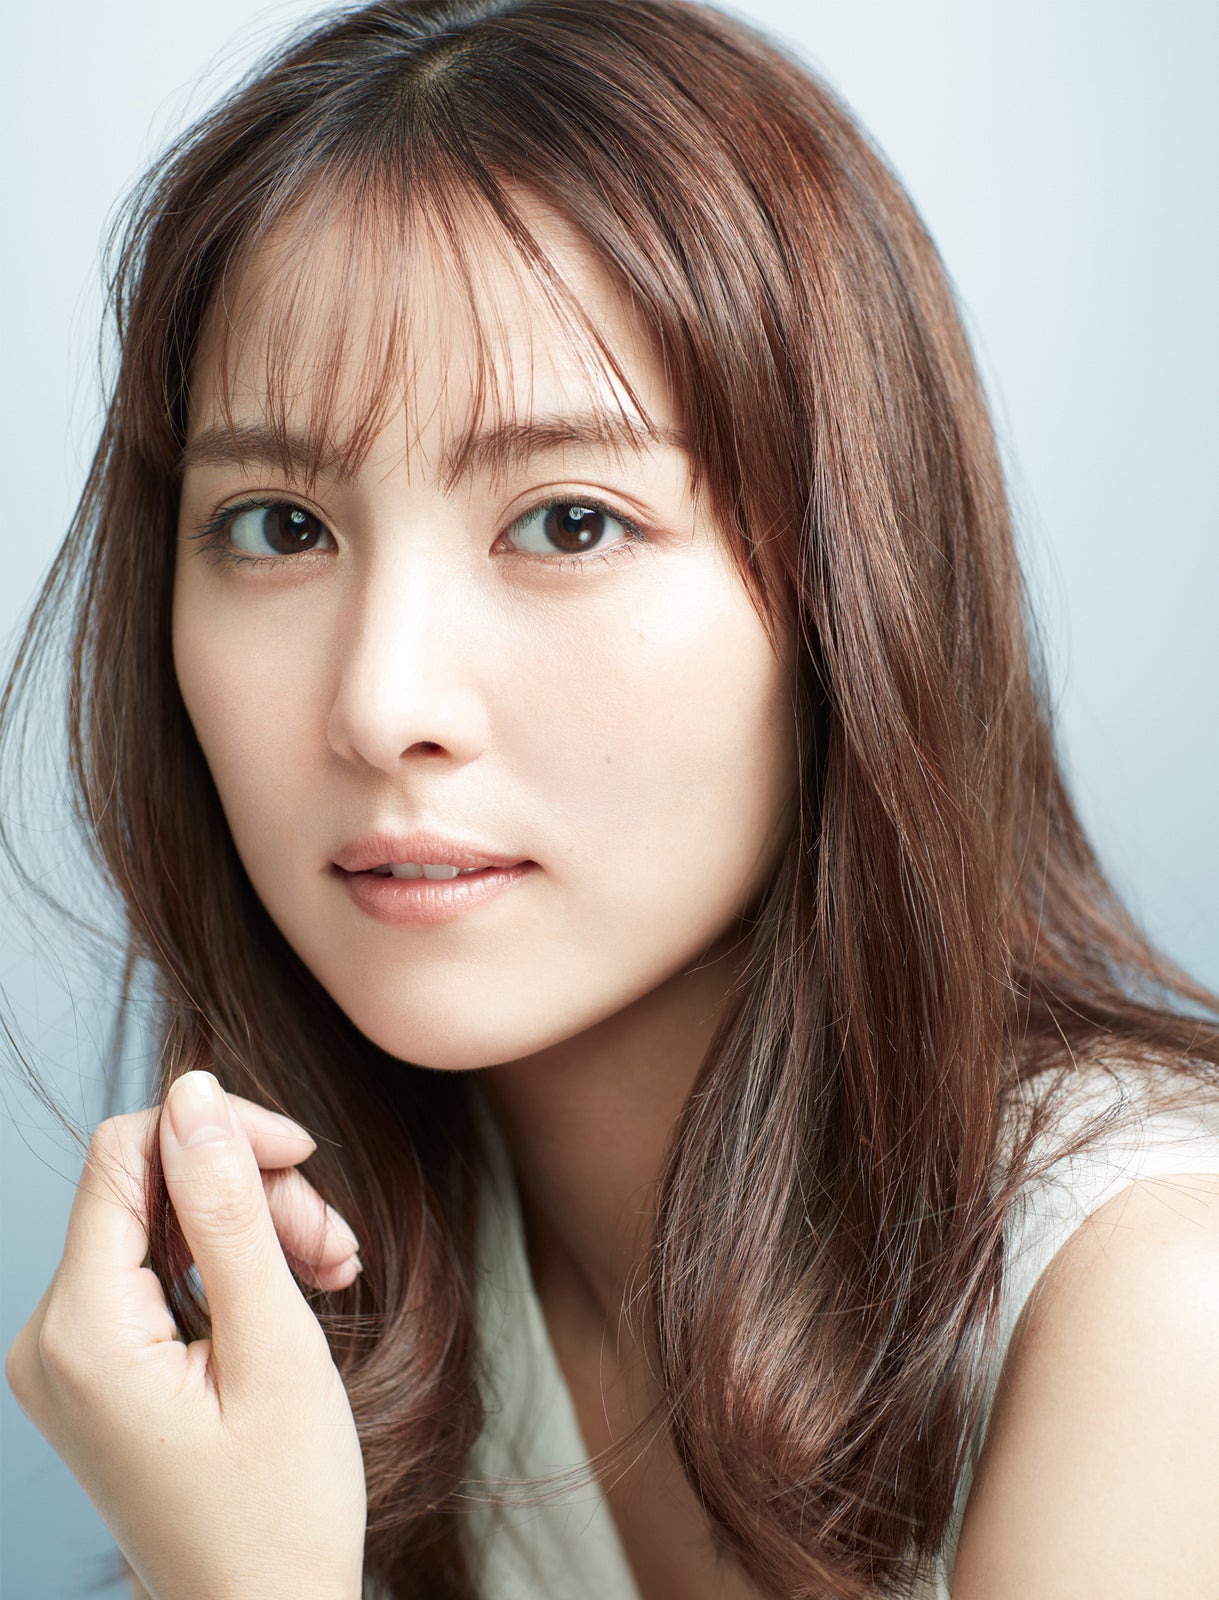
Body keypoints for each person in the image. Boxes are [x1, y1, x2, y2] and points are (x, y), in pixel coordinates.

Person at [4, 1, 1219, 1596]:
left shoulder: (1158, 1299)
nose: (382, 705)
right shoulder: (353, 1296)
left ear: (855, 593)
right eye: (280, 526)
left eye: (569, 522)